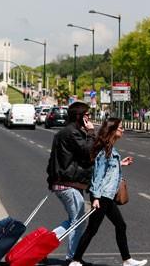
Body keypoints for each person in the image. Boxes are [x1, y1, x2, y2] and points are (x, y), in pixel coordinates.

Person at [70, 118, 147, 266]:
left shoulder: (109, 148)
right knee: (92, 229)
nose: (123, 130)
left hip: (106, 195)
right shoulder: (105, 149)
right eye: (120, 128)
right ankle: (75, 260)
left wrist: (121, 163)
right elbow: (98, 175)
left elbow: (107, 169)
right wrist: (96, 198)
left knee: (120, 225)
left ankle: (127, 260)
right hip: (102, 195)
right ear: (112, 130)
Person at [46, 101, 95, 264]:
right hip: (67, 183)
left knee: (75, 220)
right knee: (78, 221)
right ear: (79, 116)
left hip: (64, 182)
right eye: (87, 115)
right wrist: (92, 132)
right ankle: (73, 258)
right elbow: (88, 152)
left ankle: (43, 246)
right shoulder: (72, 133)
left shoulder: (67, 132)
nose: (89, 118)